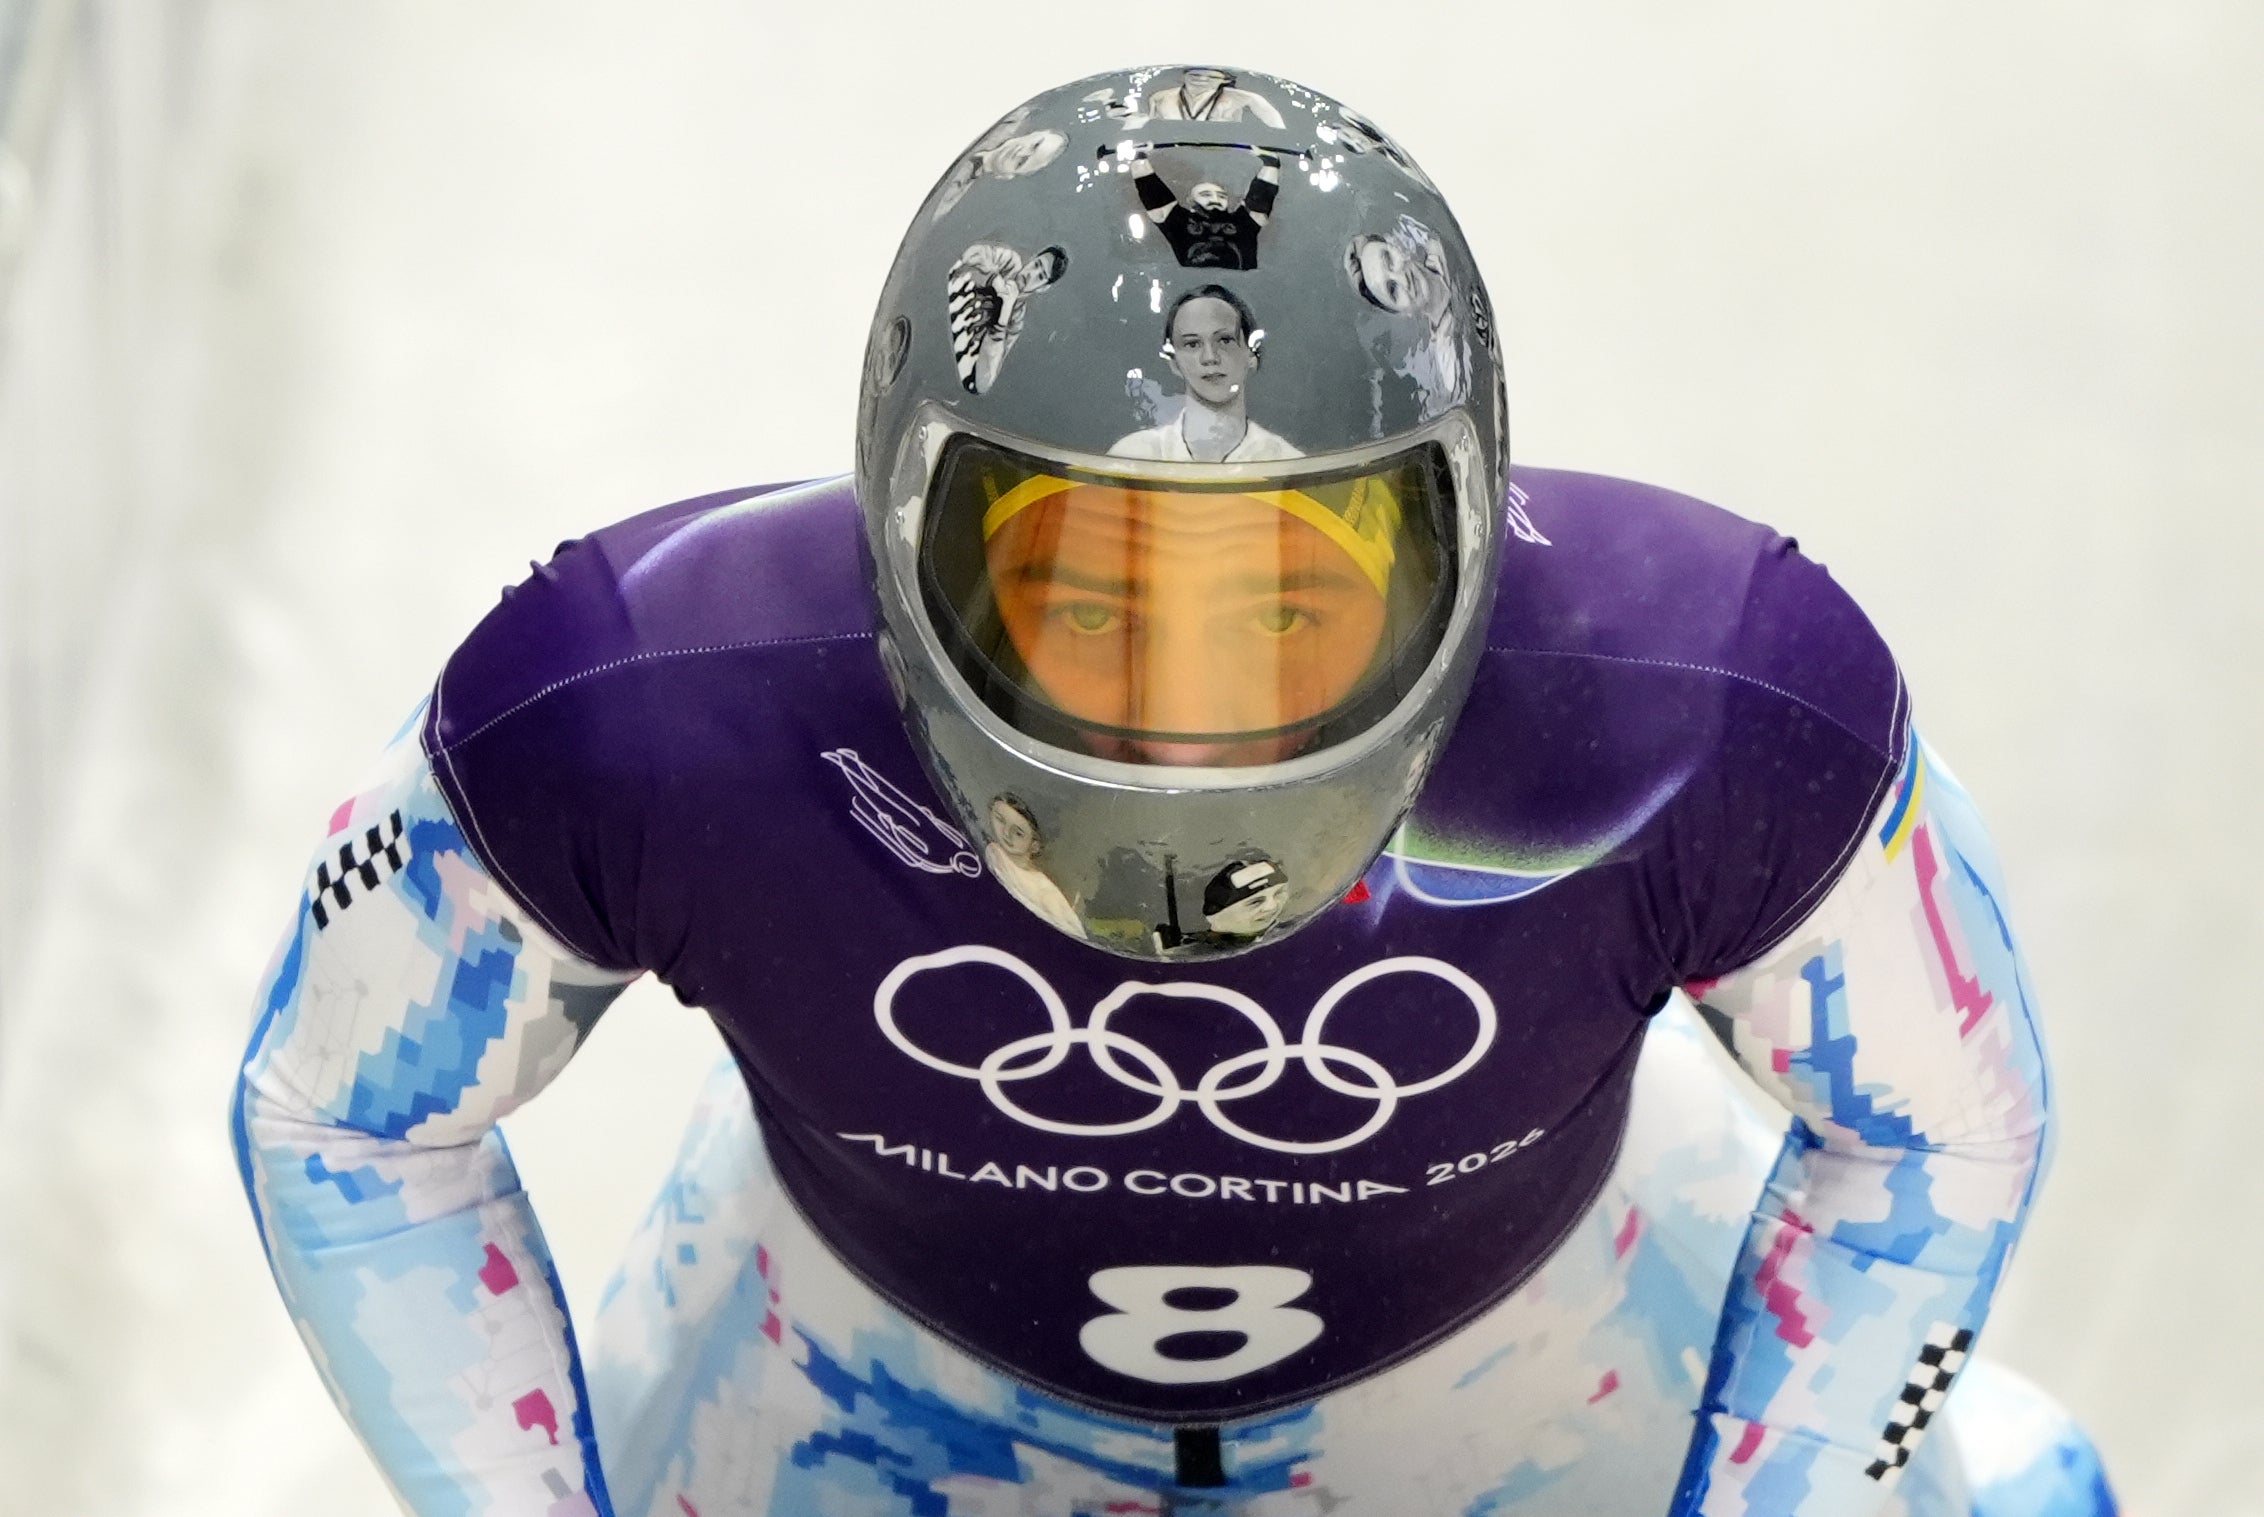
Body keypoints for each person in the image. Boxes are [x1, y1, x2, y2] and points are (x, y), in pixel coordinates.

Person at [233, 67, 2116, 1517]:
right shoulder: (1715, 697)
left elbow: (352, 1115)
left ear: (1468, 544)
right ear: (903, 539)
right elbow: (1936, 1127)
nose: (1189, 727)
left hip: (840, 1359)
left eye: (1284, 612)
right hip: (1553, 1345)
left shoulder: (628, 691)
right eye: (1091, 605)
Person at [1109, 285, 1302, 462]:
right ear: (1173, 362)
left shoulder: (1287, 462)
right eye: (1192, 344)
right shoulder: (1133, 457)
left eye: (1225, 340)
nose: (1210, 357)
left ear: (1252, 355)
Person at [1129, 143, 1281, 269]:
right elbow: (1150, 188)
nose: (1215, 199)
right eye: (1206, 195)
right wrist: (1139, 157)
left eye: (1221, 196)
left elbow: (1262, 195)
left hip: (1243, 283)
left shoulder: (1242, 222)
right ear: (1191, 200)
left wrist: (1271, 163)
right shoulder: (1178, 221)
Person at [1147, 67, 1285, 129]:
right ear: (1183, 76)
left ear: (1225, 80)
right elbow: (1151, 130)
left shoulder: (1247, 99)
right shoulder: (1160, 98)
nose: (1202, 79)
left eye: (1211, 77)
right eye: (1195, 75)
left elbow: (1278, 130)